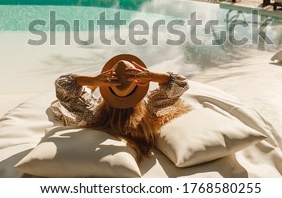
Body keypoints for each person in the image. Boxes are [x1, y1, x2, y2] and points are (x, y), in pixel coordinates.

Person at [50, 54, 191, 161]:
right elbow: (181, 83)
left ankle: (99, 84)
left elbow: (63, 84)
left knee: (85, 92)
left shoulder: (93, 115)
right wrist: (153, 76)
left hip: (94, 104)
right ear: (139, 89)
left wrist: (94, 80)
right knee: (86, 93)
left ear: (108, 93)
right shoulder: (148, 114)